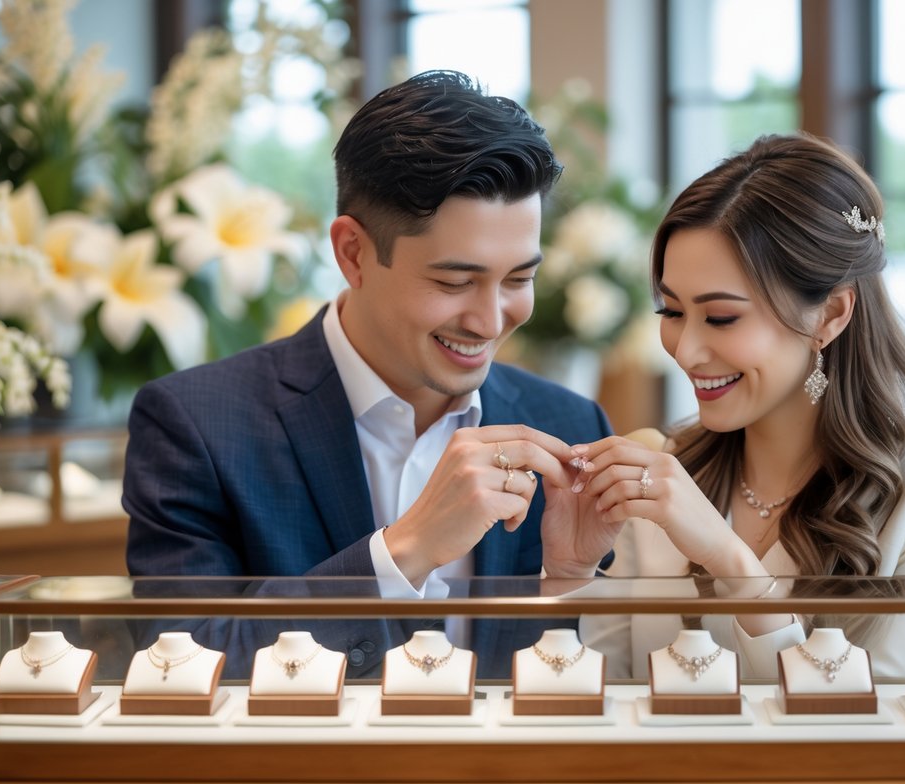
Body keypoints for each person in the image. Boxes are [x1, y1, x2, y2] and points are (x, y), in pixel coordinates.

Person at [122, 71, 619, 679]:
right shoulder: (195, 423)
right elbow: (182, 664)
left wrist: (567, 585)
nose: (491, 320)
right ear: (353, 253)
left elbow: (595, 678)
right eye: (455, 282)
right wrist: (404, 552)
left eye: (519, 279)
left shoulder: (569, 423)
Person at [575, 133, 905, 680]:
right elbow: (601, 694)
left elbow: (877, 722)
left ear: (830, 316)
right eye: (671, 311)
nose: (686, 349)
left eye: (722, 317)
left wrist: (730, 561)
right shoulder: (661, 468)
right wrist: (572, 568)